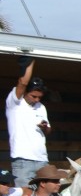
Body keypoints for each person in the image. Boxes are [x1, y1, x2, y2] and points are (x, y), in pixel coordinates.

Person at [5, 57, 51, 187]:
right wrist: (30, 62)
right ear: (25, 92)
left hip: (42, 159)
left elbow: (48, 131)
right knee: (25, 195)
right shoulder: (15, 103)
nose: (37, 100)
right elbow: (23, 82)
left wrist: (44, 127)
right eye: (33, 96)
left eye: (39, 97)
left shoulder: (41, 107)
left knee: (44, 195)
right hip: (22, 160)